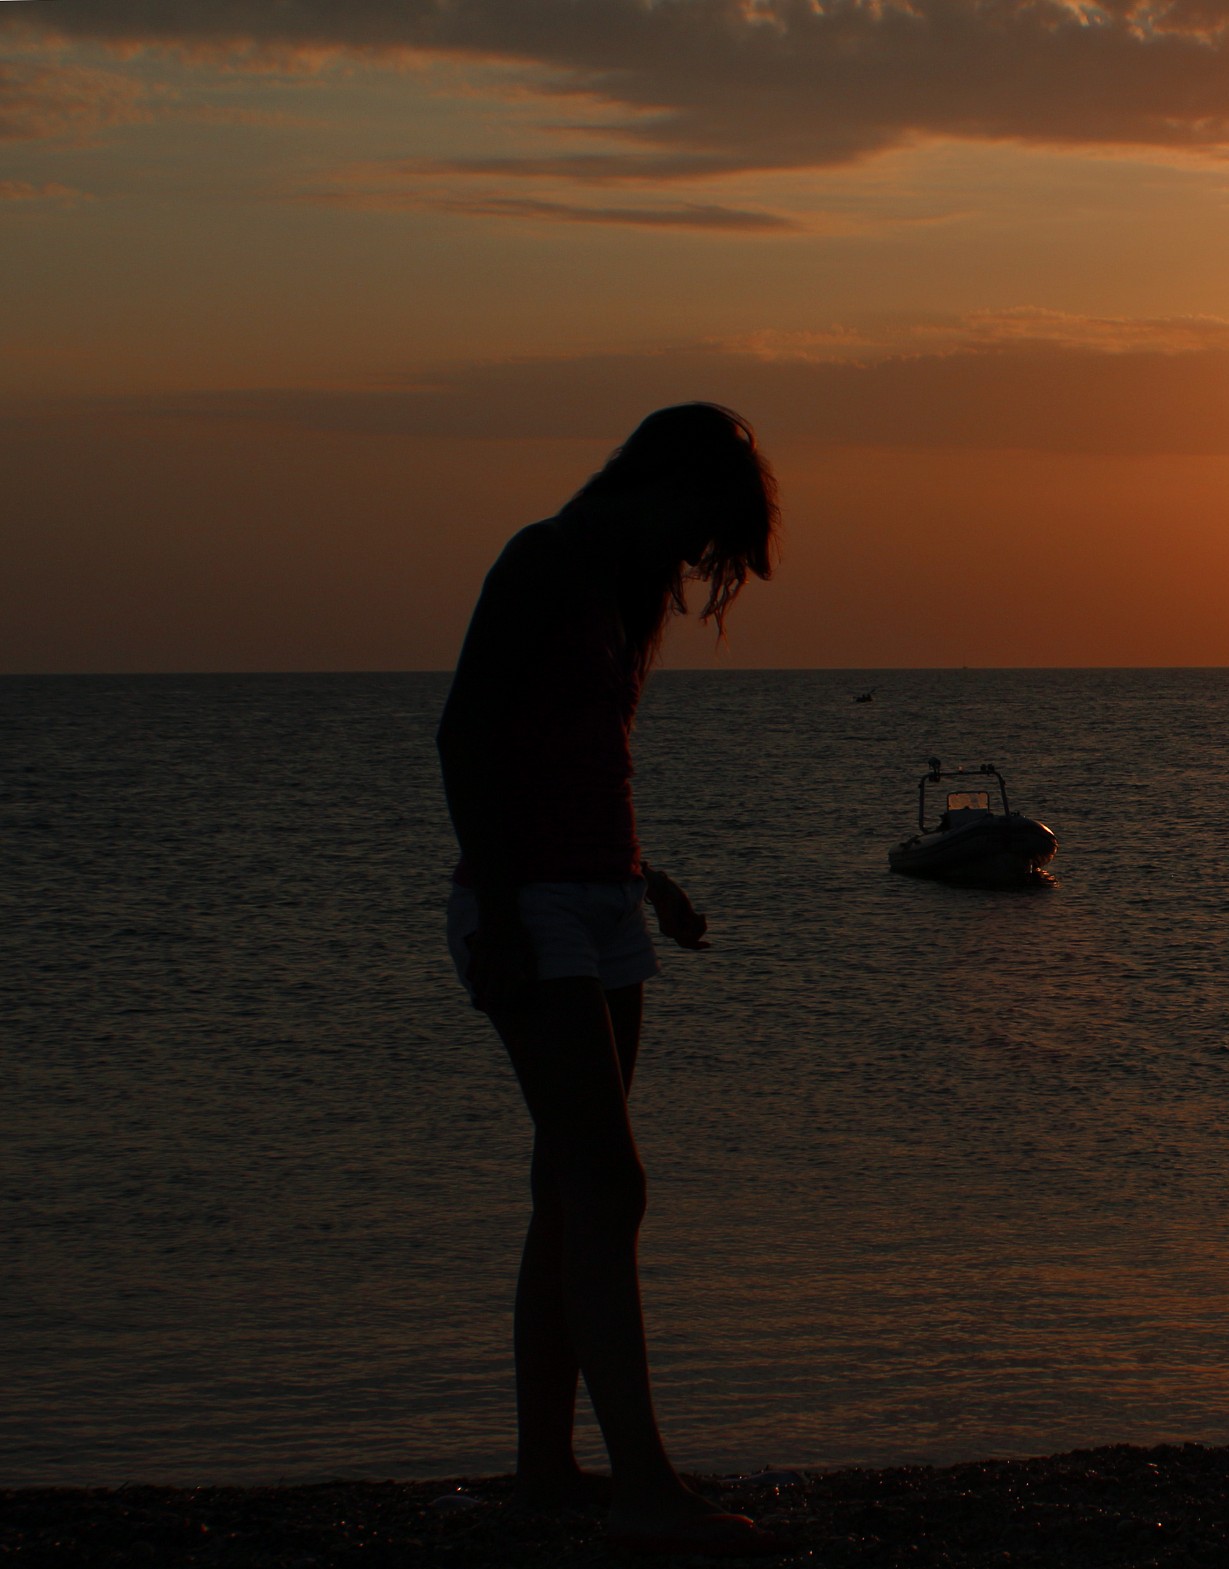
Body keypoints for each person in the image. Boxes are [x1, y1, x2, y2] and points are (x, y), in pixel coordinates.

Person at [437, 404, 784, 1556]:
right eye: (699, 527)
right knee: (607, 1183)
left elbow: (585, 762)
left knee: (569, 1190)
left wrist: (647, 880)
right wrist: (498, 906)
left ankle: (546, 1473)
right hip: (528, 904)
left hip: (602, 900)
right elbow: (466, 736)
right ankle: (644, 1486)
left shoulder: (625, 594)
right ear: (659, 482)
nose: (696, 557)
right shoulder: (540, 561)